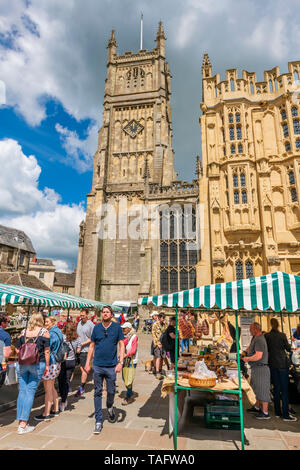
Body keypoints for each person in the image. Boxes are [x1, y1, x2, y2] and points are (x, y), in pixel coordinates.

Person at [84, 305, 125, 434]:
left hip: (112, 366)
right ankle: (98, 420)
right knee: (97, 392)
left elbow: (122, 345)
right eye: (103, 312)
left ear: (111, 315)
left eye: (107, 312)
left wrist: (121, 362)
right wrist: (87, 363)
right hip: (98, 365)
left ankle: (110, 406)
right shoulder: (96, 328)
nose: (105, 314)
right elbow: (91, 346)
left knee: (111, 391)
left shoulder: (117, 328)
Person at [15, 313, 50, 434]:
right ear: (41, 320)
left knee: (22, 391)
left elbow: (17, 349)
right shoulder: (44, 332)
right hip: (37, 364)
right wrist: (47, 366)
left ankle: (20, 421)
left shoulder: (24, 332)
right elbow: (47, 351)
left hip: (22, 364)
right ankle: (24, 424)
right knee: (30, 392)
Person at [265, 318, 296, 421]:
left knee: (277, 389)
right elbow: (287, 348)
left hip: (272, 364)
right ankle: (286, 414)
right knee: (285, 390)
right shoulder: (282, 335)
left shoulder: (267, 336)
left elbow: (267, 349)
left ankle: (278, 412)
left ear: (270, 325)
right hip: (282, 364)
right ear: (278, 325)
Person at [34, 316, 63, 421]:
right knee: (52, 387)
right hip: (56, 363)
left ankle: (46, 413)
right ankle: (55, 409)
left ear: (53, 322)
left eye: (47, 322)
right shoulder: (58, 331)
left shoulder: (51, 334)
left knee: (48, 389)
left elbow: (47, 347)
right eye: (45, 322)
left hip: (51, 363)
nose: (45, 323)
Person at [243, 322, 271, 419]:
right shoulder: (255, 338)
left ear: (255, 329)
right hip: (257, 368)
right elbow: (250, 347)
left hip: (261, 368)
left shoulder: (259, 339)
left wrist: (248, 358)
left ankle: (265, 412)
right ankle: (257, 407)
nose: (249, 331)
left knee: (263, 390)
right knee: (257, 389)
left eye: (251, 329)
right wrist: (244, 352)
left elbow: (258, 356)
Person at [58, 321, 82, 411]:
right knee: (67, 381)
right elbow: (78, 351)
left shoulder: (62, 337)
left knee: (61, 380)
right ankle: (64, 401)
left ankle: (62, 398)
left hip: (63, 362)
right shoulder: (78, 339)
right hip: (72, 362)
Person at [76, 309, 94, 397]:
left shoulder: (91, 325)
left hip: (86, 350)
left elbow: (93, 339)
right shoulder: (79, 323)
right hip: (78, 349)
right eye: (80, 315)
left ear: (87, 315)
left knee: (84, 369)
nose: (81, 317)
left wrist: (82, 344)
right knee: (81, 368)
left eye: (83, 315)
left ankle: (81, 388)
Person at [121, 321, 138, 405]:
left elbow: (133, 350)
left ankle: (128, 396)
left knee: (129, 378)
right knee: (125, 377)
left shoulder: (134, 336)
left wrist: (125, 355)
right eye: (122, 328)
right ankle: (130, 392)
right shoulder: (125, 337)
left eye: (124, 328)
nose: (123, 329)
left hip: (131, 360)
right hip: (125, 359)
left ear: (129, 328)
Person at [152, 312, 167, 380]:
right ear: (159, 318)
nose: (164, 319)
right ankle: (157, 372)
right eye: (163, 318)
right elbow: (153, 335)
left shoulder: (164, 324)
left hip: (163, 344)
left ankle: (160, 370)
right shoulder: (155, 324)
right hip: (157, 344)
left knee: (162, 357)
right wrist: (157, 344)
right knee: (158, 357)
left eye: (164, 318)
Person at [0, 313, 12, 387]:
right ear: (2, 323)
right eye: (8, 322)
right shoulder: (5, 335)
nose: (8, 323)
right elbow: (7, 354)